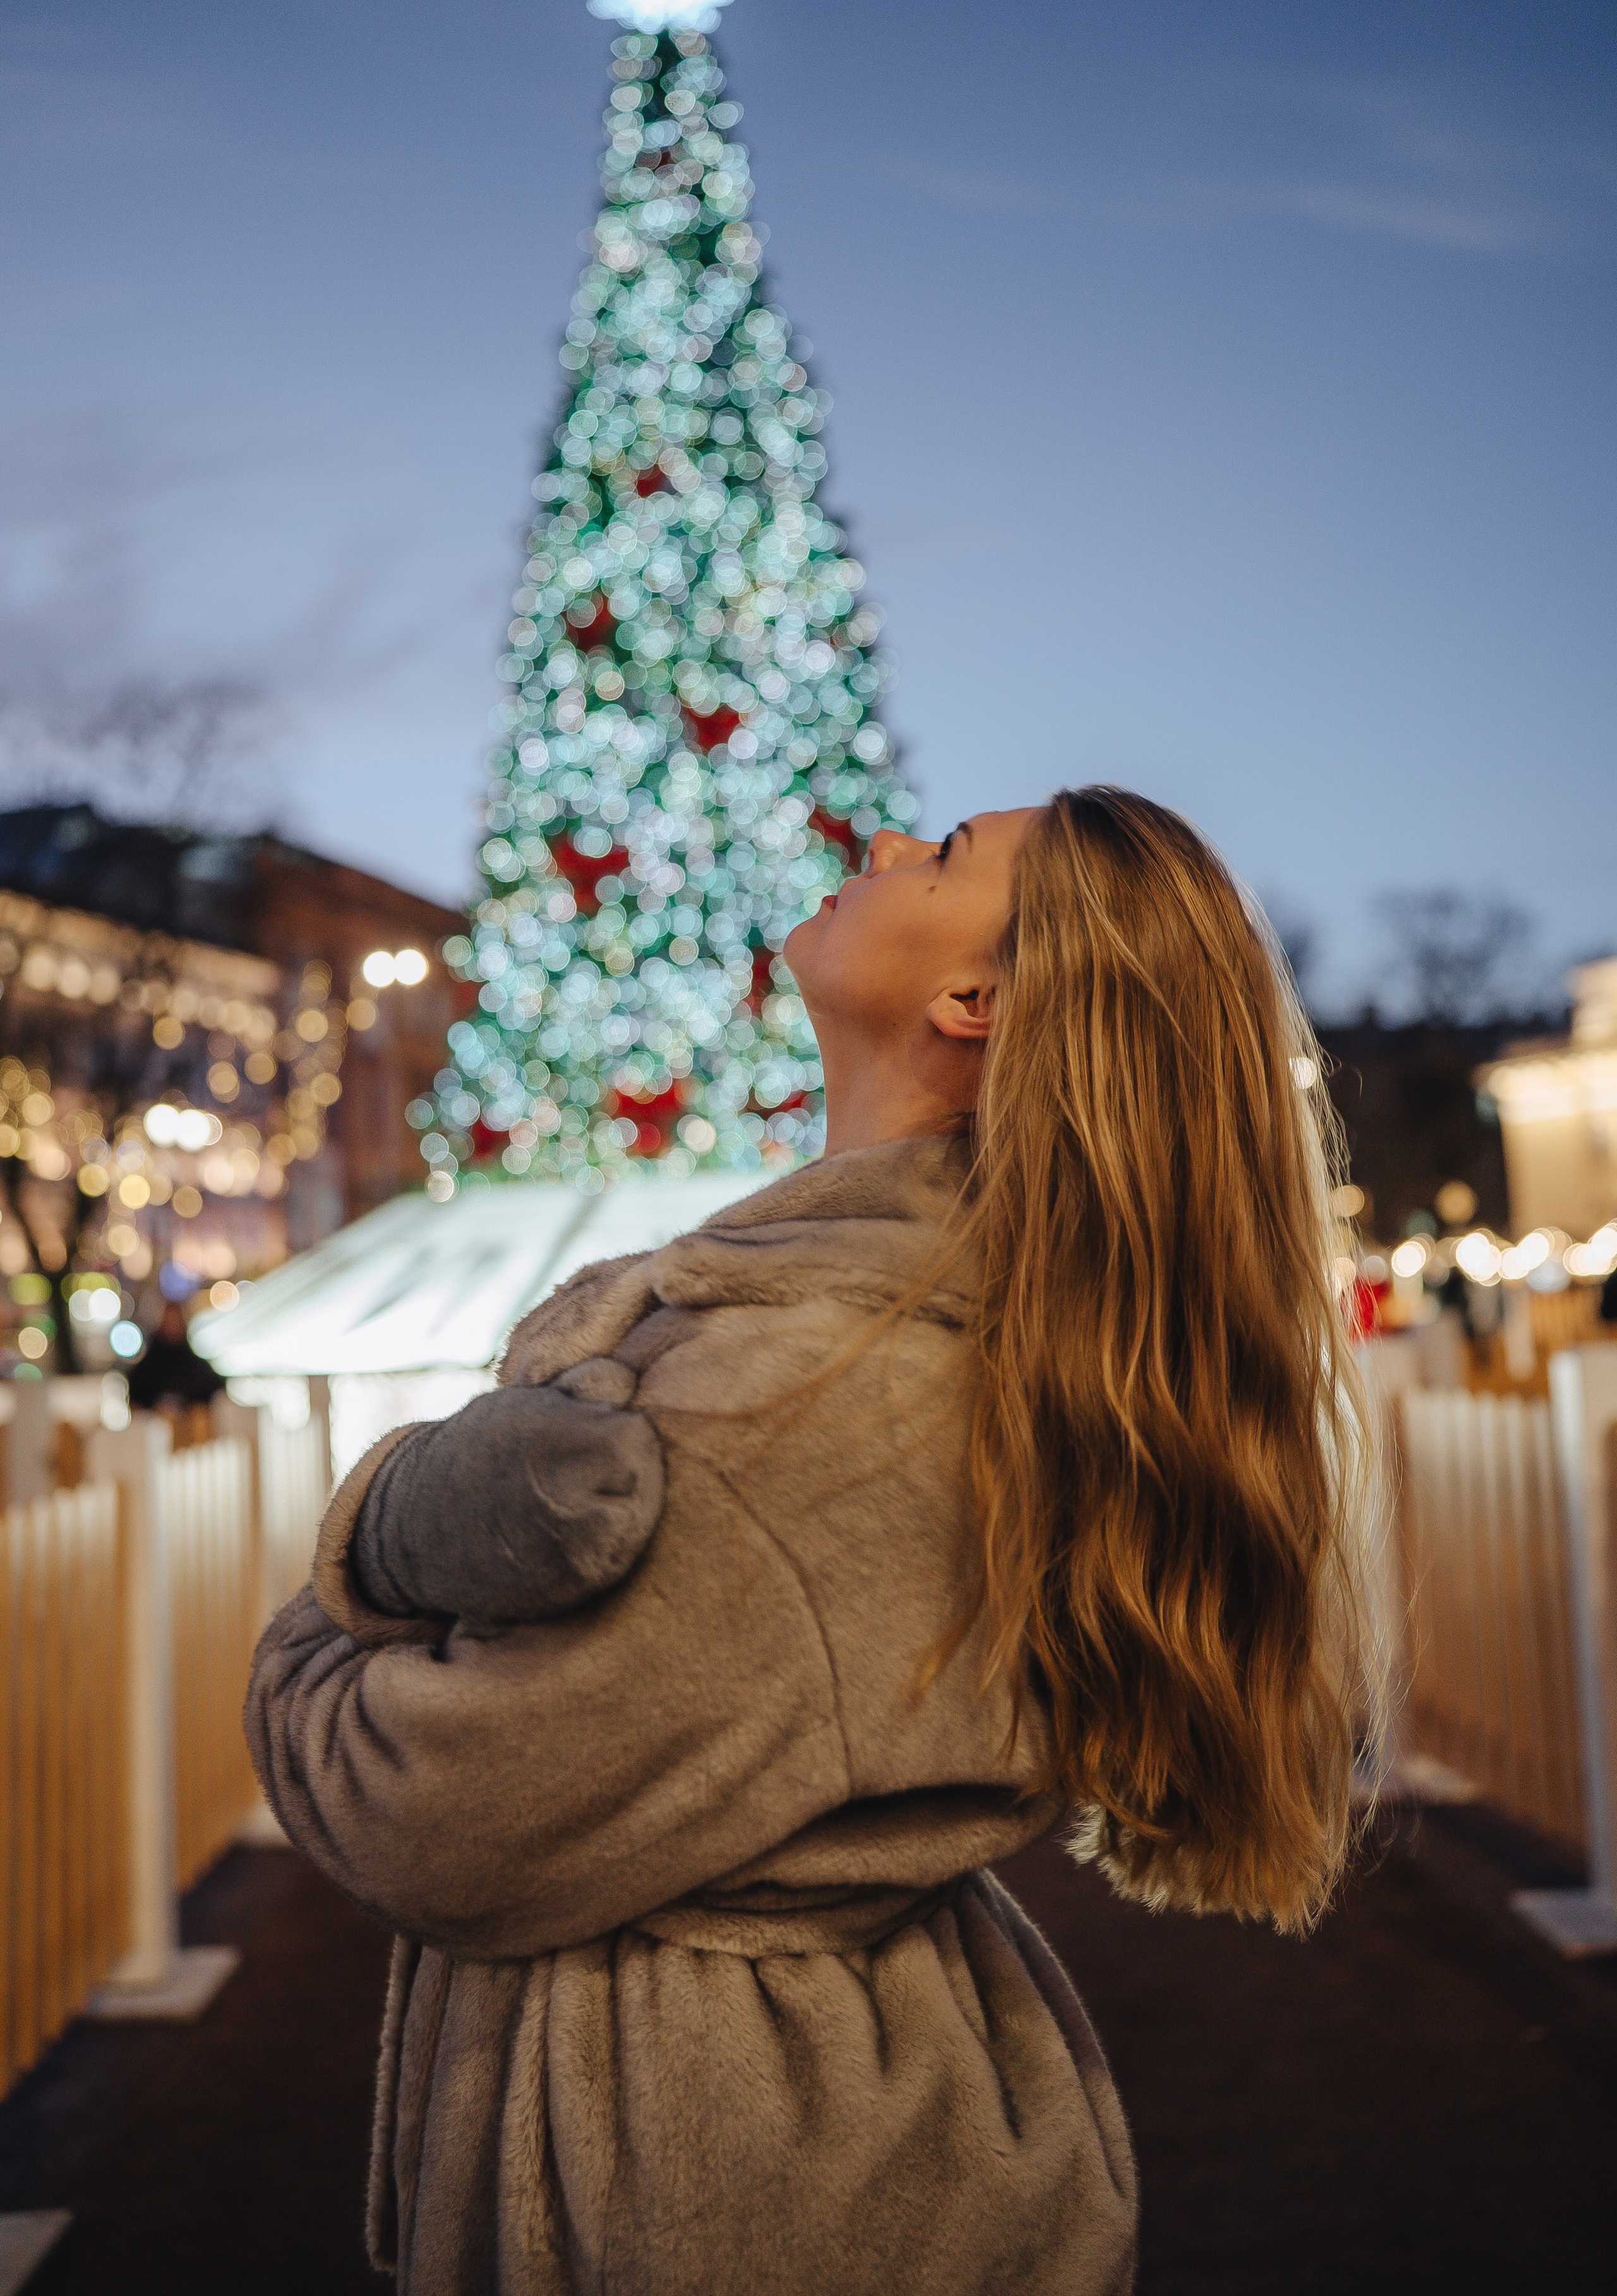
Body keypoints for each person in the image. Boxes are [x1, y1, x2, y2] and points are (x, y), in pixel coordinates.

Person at [248, 787, 1372, 2296]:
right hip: (822, 2135)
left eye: (946, 856)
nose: (887, 844)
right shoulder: (905, 1336)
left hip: (719, 2183)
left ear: (976, 1001)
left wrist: (364, 1563)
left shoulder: (813, 1400)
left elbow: (427, 1817)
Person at [127, 1297, 224, 1413]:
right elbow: (136, 1397)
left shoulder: (195, 1365)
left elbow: (212, 1391)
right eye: (169, 1320)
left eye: (176, 1320)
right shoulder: (148, 1365)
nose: (172, 1325)